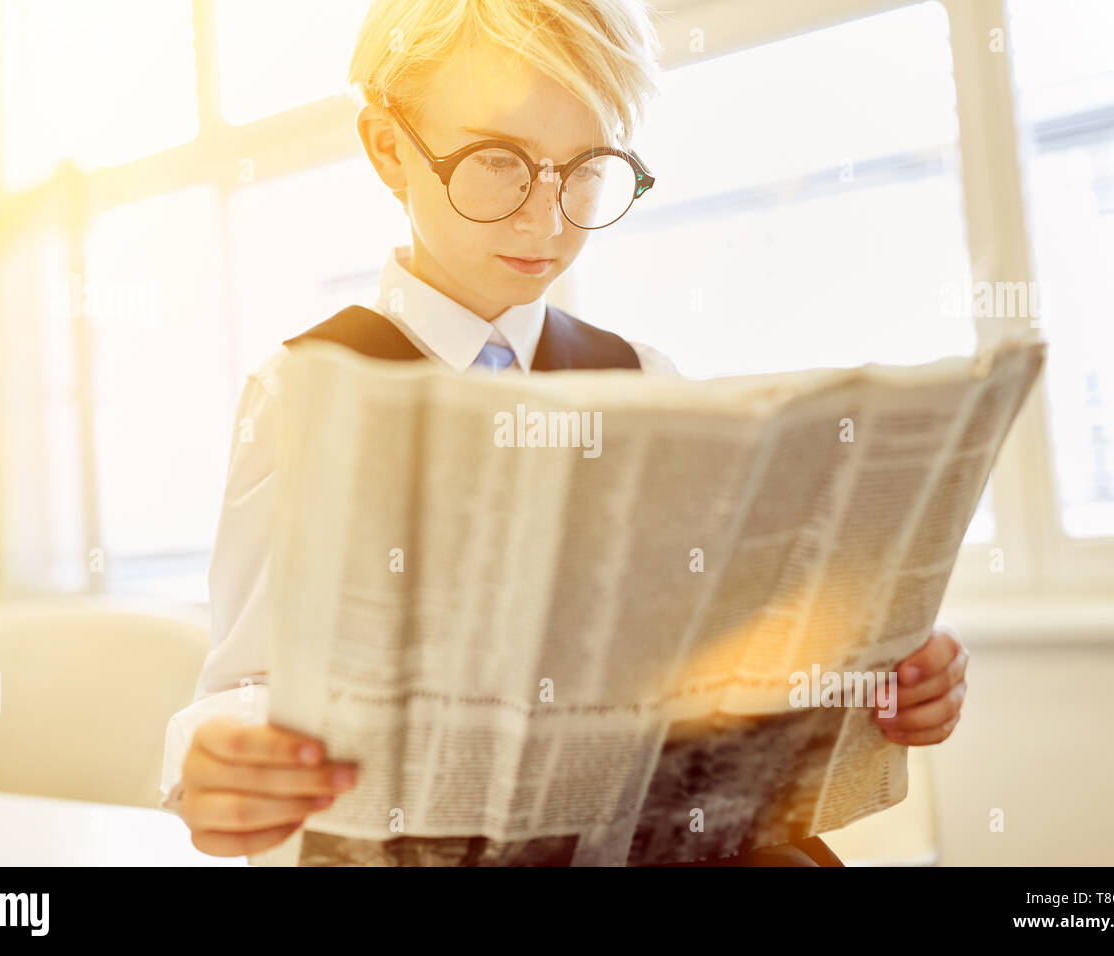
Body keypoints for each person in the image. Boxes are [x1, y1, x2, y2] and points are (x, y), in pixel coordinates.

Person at [161, 0, 970, 864]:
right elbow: (243, 686)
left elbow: (731, 654)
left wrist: (886, 677)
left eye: (586, 167)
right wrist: (213, 760)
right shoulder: (306, 393)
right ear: (389, 150)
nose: (545, 220)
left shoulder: (646, 381)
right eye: (497, 160)